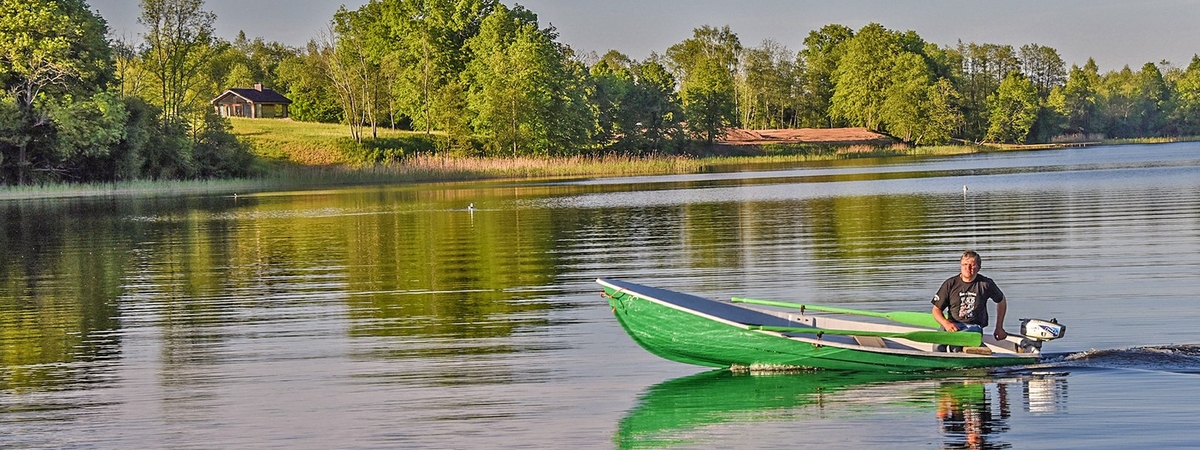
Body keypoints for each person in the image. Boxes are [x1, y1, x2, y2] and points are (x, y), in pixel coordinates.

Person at [931, 251, 1008, 349]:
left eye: (972, 265)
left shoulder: (985, 284)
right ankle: (939, 361)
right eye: (965, 264)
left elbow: (1001, 300)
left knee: (956, 344)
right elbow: (936, 310)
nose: (968, 268)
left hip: (974, 326)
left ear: (979, 267)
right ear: (960, 265)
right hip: (952, 324)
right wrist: (946, 323)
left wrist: (999, 327)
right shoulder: (950, 284)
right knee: (937, 345)